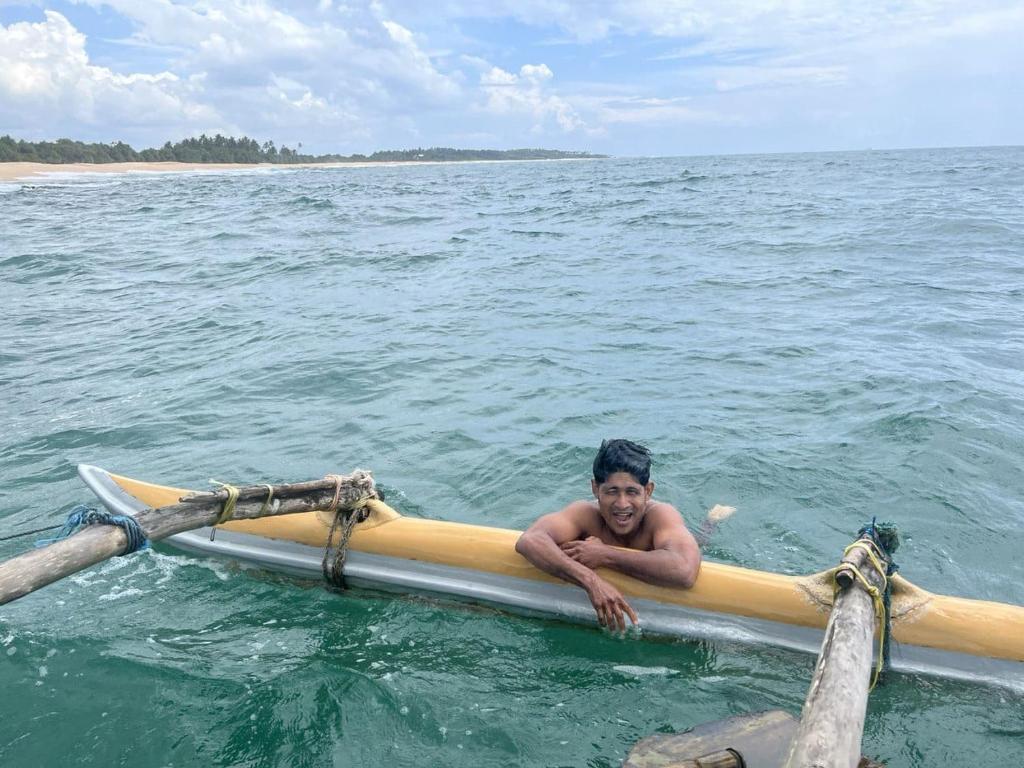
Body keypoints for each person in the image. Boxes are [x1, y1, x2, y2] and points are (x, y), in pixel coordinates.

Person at [515, 439, 701, 631]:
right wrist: (591, 581)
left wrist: (604, 554)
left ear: (648, 491)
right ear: (595, 488)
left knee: (701, 539)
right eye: (612, 491)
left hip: (678, 542)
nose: (622, 504)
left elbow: (684, 570)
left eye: (632, 492)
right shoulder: (586, 514)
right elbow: (531, 540)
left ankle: (710, 522)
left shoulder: (660, 516)